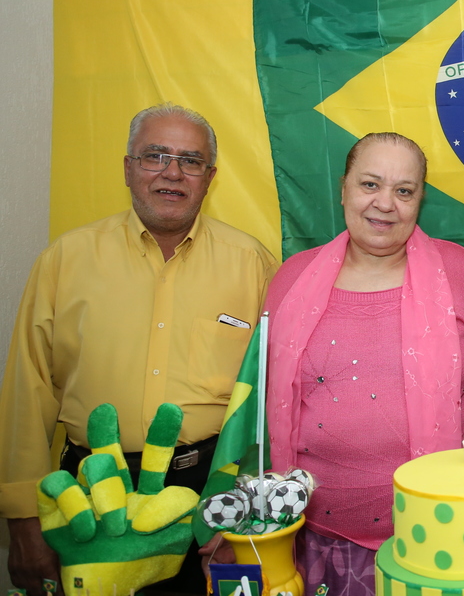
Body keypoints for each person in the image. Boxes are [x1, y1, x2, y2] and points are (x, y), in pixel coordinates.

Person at [0, 104, 278, 594]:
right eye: (156, 156)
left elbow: (272, 401)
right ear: (128, 167)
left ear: (210, 178)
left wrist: (249, 508)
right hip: (90, 497)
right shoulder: (65, 259)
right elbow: (28, 392)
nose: (173, 172)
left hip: (211, 498)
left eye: (191, 161)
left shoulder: (253, 264)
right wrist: (23, 522)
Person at [263, 132, 464, 596]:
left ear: (419, 200)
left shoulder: (460, 271)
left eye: (403, 191)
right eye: (370, 184)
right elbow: (256, 404)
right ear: (343, 189)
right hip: (313, 541)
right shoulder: (291, 279)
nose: (385, 204)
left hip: (450, 533)